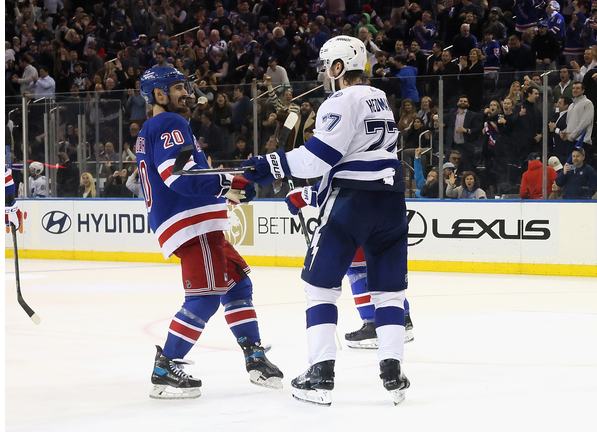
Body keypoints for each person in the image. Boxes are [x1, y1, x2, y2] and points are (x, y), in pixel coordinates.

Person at [241, 35, 410, 406]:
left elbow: (319, 159)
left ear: (338, 68)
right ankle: (393, 371)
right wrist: (306, 192)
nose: (323, 74)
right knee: (389, 292)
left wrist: (271, 165)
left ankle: (320, 374)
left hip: (353, 204)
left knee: (320, 286)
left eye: (326, 66)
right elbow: (355, 159)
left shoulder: (341, 98)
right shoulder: (379, 98)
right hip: (392, 202)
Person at [135, 67, 283, 400]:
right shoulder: (170, 123)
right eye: (177, 88)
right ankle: (166, 366)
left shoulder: (152, 128)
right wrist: (231, 184)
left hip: (195, 222)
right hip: (191, 222)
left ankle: (255, 357)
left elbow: (187, 172)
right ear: (159, 95)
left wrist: (227, 179)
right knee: (204, 297)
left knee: (238, 284)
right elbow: (177, 177)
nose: (185, 93)